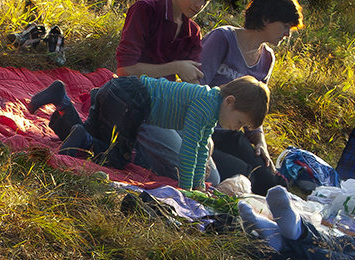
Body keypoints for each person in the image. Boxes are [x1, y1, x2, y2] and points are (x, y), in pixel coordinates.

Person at [28, 76, 269, 191]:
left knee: (93, 131)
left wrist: (198, 184)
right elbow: (189, 149)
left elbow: (201, 150)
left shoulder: (210, 103)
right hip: (133, 100)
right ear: (229, 101)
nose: (236, 129)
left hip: (121, 90)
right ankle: (85, 138)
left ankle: (62, 101)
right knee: (117, 157)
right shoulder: (205, 106)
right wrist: (187, 189)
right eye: (239, 122)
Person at [112, 0, 222, 181]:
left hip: (168, 107)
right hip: (136, 101)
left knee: (210, 177)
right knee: (183, 170)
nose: (199, 5)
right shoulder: (145, 11)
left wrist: (204, 129)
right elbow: (124, 71)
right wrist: (175, 67)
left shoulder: (193, 31)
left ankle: (144, 150)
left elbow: (194, 85)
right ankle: (132, 148)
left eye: (206, 1)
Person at [198, 0, 303, 193]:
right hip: (204, 130)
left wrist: (260, 142)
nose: (286, 34)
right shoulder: (223, 39)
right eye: (284, 26)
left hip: (233, 134)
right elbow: (197, 87)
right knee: (242, 175)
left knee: (270, 183)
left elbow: (254, 109)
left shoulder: (266, 59)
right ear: (265, 19)